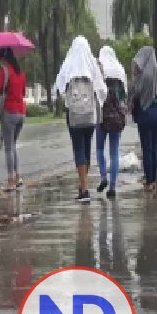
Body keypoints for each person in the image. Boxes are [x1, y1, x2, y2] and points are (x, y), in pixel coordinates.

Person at [54, 36, 107, 204]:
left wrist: (67, 99)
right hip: (90, 116)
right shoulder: (92, 64)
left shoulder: (69, 64)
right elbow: (102, 89)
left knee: (78, 149)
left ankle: (84, 190)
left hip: (75, 116)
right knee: (86, 148)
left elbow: (59, 86)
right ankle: (82, 185)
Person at [129, 47, 157, 193]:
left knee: (147, 148)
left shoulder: (145, 75)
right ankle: (154, 179)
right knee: (154, 147)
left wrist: (134, 77)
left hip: (146, 112)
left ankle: (149, 181)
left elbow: (136, 92)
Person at [96, 46, 128, 199]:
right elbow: (124, 95)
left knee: (100, 149)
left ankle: (103, 177)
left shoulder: (98, 68)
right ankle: (113, 187)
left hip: (101, 116)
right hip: (116, 117)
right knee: (114, 152)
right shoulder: (120, 70)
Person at [0, 48, 27, 191]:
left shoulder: (4, 72)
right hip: (21, 113)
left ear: (3, 59)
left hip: (9, 112)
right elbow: (23, 92)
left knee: (8, 148)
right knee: (13, 145)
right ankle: (18, 176)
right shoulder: (20, 73)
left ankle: (10, 180)